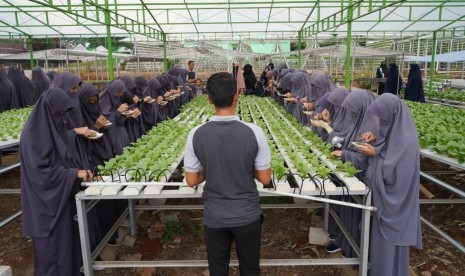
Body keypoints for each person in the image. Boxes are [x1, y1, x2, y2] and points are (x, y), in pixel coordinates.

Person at [184, 72, 271, 276]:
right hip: (247, 215)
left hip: (215, 216)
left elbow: (191, 180)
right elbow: (265, 179)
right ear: (236, 96)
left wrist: (209, 169)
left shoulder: (196, 133)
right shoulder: (254, 132)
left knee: (218, 270)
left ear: (209, 99)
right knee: (250, 269)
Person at [20, 87, 93, 276]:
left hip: (60, 197)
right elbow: (39, 174)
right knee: (51, 250)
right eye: (59, 113)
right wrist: (72, 174)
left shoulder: (54, 129)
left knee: (67, 245)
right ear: (47, 111)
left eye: (63, 113)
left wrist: (78, 170)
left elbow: (66, 155)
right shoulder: (31, 137)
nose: (62, 117)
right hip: (46, 205)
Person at [356, 93, 422, 276]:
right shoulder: (395, 130)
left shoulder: (408, 142)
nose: (381, 121)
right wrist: (375, 140)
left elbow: (398, 173)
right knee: (378, 244)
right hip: (381, 200)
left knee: (390, 246)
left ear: (393, 115)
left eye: (384, 117)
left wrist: (375, 153)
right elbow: (390, 149)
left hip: (394, 205)